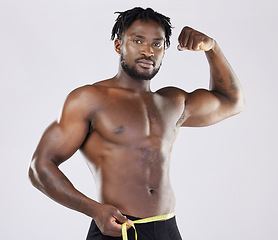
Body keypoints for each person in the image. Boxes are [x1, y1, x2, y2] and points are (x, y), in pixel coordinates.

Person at [28, 7, 245, 240]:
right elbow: (40, 166)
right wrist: (94, 210)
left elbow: (232, 102)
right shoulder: (90, 99)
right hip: (118, 228)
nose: (147, 51)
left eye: (157, 44)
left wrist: (213, 48)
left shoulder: (172, 102)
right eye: (138, 40)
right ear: (119, 45)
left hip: (167, 229)